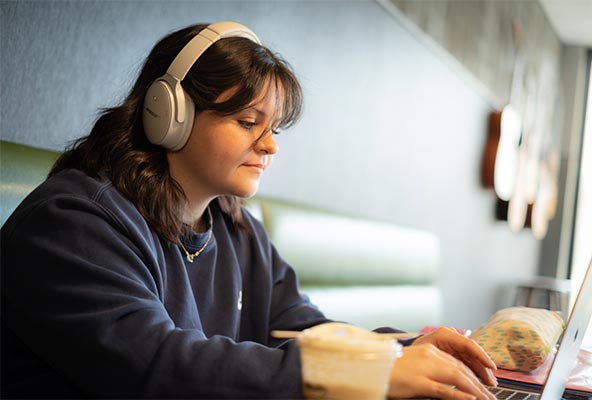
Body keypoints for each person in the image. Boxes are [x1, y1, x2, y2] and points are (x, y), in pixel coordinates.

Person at [1, 21, 497, 399]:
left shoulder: (237, 229)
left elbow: (301, 329)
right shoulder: (75, 221)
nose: (269, 146)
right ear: (168, 113)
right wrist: (369, 374)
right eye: (247, 121)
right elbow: (159, 365)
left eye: (273, 128)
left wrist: (404, 351)